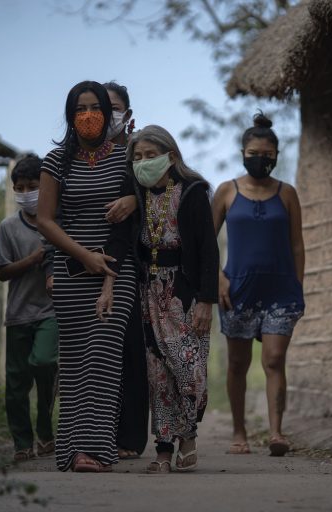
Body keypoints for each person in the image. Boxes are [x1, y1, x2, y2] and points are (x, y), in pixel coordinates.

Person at [37, 80, 137, 473]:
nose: (89, 115)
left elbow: (144, 205)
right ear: (70, 115)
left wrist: (133, 198)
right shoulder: (55, 162)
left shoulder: (126, 158)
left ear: (109, 113)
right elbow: (45, 221)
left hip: (118, 270)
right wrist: (84, 256)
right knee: (76, 361)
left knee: (104, 356)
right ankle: (74, 450)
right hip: (73, 271)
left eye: (95, 107)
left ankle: (93, 449)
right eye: (80, 109)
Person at [211, 112, 305, 457]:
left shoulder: (287, 194)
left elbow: (297, 245)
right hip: (237, 291)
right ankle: (239, 432)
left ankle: (277, 433)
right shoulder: (226, 191)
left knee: (275, 359)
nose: (260, 159)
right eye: (254, 153)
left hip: (281, 291)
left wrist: (298, 287)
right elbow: (207, 242)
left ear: (276, 156)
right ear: (242, 152)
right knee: (238, 364)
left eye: (267, 155)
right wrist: (217, 276)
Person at [126, 125, 219, 474]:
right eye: (137, 157)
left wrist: (207, 300)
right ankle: (163, 451)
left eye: (151, 155)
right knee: (157, 374)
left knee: (188, 370)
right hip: (148, 292)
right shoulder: (138, 196)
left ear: (171, 157)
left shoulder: (193, 193)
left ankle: (189, 435)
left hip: (184, 292)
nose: (144, 162)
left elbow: (208, 251)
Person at [0, 154, 59, 462]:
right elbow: (2, 272)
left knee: (44, 363)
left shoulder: (57, 221)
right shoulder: (8, 228)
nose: (25, 192)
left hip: (50, 312)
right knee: (16, 383)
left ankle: (46, 432)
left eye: (32, 186)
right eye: (19, 187)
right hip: (18, 313)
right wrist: (31, 260)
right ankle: (22, 442)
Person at [102, 81, 149, 460]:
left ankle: (130, 437)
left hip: (132, 265)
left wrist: (136, 199)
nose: (103, 113)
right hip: (84, 262)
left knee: (132, 349)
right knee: (93, 353)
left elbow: (169, 191)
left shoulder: (142, 153)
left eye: (113, 107)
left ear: (127, 115)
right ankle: (92, 432)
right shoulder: (72, 156)